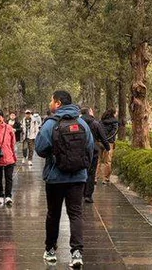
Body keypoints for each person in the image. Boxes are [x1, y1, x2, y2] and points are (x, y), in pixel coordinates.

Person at [35, 89, 94, 268]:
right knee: (76, 214)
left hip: (55, 178)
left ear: (58, 103)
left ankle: (50, 250)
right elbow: (90, 149)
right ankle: (76, 253)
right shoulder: (82, 123)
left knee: (53, 214)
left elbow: (40, 148)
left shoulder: (50, 124)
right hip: (78, 178)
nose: (50, 104)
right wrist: (81, 168)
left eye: (51, 100)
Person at [80, 107, 110, 203]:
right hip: (93, 149)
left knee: (81, 171)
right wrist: (107, 147)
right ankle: (88, 195)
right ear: (89, 112)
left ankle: (81, 192)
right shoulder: (95, 123)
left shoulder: (78, 123)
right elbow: (103, 137)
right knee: (91, 172)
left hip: (80, 150)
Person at [0, 110, 17, 207]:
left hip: (9, 156)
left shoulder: (9, 128)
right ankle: (0, 196)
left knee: (8, 178)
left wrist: (14, 155)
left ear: (2, 118)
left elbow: (13, 143)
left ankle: (8, 196)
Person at [98, 108, 119, 184]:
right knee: (108, 161)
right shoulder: (115, 122)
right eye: (116, 112)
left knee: (98, 160)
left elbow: (98, 131)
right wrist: (107, 139)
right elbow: (114, 132)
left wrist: (101, 139)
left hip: (100, 142)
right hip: (109, 143)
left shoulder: (101, 121)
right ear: (113, 113)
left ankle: (95, 178)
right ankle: (105, 178)